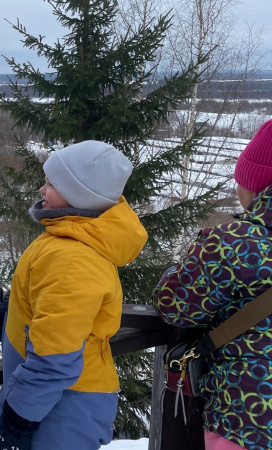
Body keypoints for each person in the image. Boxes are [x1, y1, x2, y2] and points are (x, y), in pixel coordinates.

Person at [0, 141, 148, 450]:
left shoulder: (73, 258)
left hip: (56, 408)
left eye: (51, 183)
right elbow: (55, 305)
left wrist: (17, 420)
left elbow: (54, 357)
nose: (42, 189)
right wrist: (13, 311)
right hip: (44, 399)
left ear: (80, 195)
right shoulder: (68, 234)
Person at [153, 119, 272, 450]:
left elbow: (174, 305)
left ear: (255, 186)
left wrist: (175, 269)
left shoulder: (237, 242)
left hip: (250, 417)